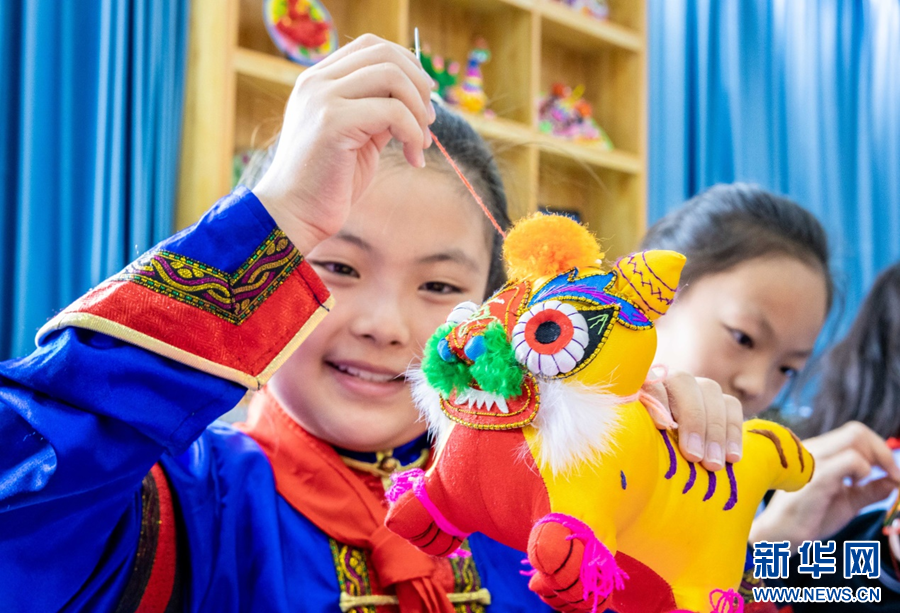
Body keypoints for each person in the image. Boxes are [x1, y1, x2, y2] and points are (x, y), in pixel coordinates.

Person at [0, 35, 739, 613]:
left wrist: (678, 498)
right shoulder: (195, 506)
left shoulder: (549, 497)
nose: (387, 325)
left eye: (440, 285)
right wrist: (280, 212)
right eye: (337, 266)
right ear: (266, 271)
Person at [640, 183, 900, 607]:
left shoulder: (746, 479)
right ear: (657, 294)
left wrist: (771, 545)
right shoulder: (559, 438)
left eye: (787, 368)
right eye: (743, 338)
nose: (758, 385)